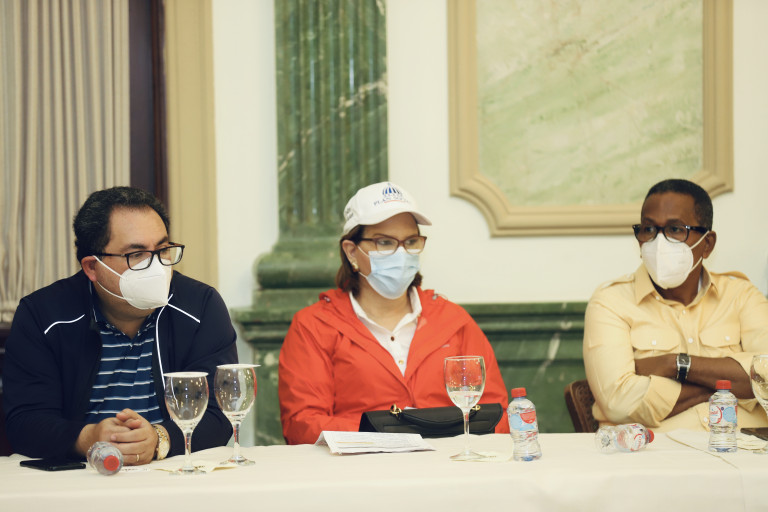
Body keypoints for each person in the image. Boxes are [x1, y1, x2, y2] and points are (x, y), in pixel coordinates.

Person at [3, 187, 238, 464]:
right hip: (82, 475)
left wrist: (160, 439)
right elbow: (25, 420)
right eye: (136, 254)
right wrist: (87, 438)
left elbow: (220, 412)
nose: (156, 267)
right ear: (92, 267)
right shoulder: (43, 315)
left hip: (172, 471)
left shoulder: (200, 307)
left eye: (162, 250)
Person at [278, 182, 510, 444]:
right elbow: (302, 424)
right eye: (385, 242)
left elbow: (496, 415)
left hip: (447, 464)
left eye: (410, 241)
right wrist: (392, 433)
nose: (401, 253)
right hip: (359, 466)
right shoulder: (314, 325)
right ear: (351, 251)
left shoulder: (453, 321)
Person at [584, 178, 768, 431]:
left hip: (745, 448)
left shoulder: (741, 295)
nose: (658, 242)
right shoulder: (611, 302)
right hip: (657, 452)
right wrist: (726, 386)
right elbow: (620, 403)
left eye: (675, 229)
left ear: (707, 244)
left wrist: (674, 364)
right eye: (649, 229)